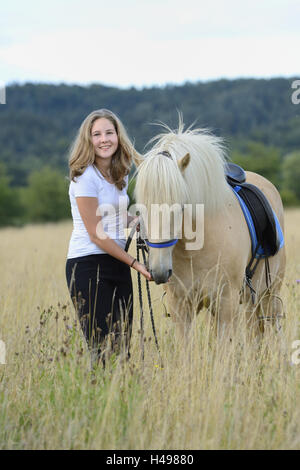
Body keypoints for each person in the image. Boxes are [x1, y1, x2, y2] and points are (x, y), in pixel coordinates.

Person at [65, 109, 151, 366]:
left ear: (118, 136)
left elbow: (115, 216)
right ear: (88, 140)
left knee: (121, 350)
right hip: (88, 265)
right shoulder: (84, 177)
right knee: (102, 351)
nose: (104, 139)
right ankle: (95, 404)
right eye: (97, 134)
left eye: (109, 133)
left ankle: (117, 404)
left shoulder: (118, 175)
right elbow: (97, 233)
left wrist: (137, 222)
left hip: (116, 264)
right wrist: (136, 264)